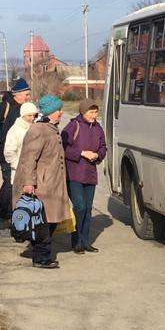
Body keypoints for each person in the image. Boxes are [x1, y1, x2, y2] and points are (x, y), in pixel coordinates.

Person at [14, 94, 72, 269]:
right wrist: (28, 182)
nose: (61, 112)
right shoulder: (38, 130)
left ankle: (39, 251)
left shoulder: (50, 127)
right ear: (50, 112)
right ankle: (41, 257)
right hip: (42, 185)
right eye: (58, 110)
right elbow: (28, 158)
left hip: (52, 184)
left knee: (50, 222)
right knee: (43, 223)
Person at [61, 99, 108, 254]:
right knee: (79, 207)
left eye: (96, 112)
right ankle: (76, 241)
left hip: (90, 174)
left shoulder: (98, 128)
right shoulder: (73, 126)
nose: (94, 116)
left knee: (87, 209)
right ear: (83, 112)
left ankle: (86, 242)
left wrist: (97, 155)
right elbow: (63, 147)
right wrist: (81, 153)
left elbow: (103, 147)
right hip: (74, 174)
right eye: (91, 112)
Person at [0, 78, 31, 217]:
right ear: (17, 94)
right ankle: (5, 212)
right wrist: (5, 139)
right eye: (26, 94)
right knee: (10, 181)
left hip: (21, 152)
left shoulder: (26, 108)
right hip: (5, 151)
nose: (28, 97)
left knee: (10, 181)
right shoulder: (4, 106)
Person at [3, 101, 39, 174]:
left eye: (34, 115)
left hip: (34, 172)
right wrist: (19, 166)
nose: (32, 118)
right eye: (29, 115)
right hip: (20, 173)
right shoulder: (15, 130)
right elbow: (9, 152)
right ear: (23, 115)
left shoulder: (36, 128)